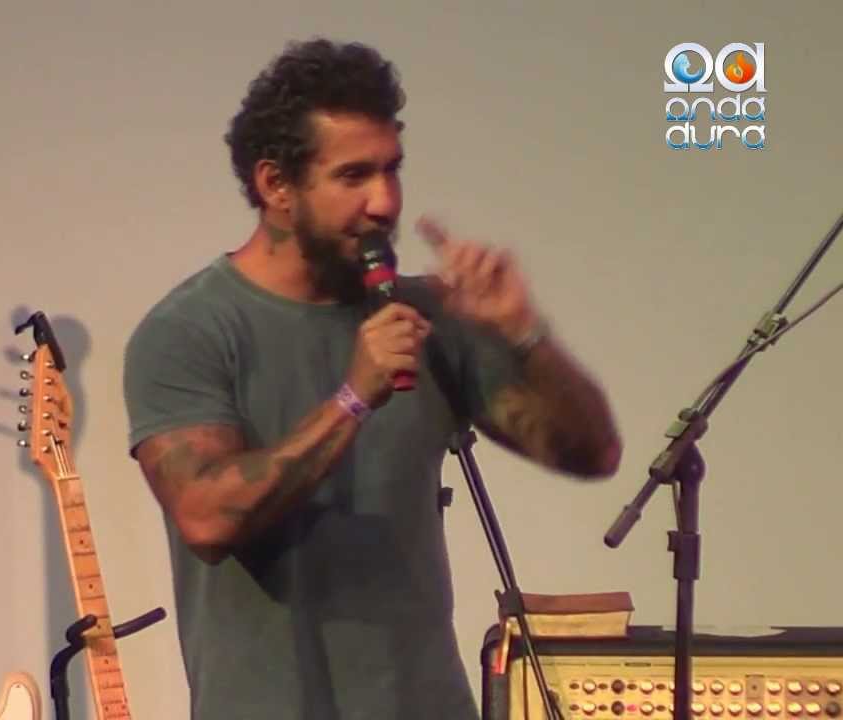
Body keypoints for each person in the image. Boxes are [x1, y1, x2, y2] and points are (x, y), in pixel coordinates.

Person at [121, 37, 621, 720]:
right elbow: (206, 518)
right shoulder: (189, 330)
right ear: (275, 185)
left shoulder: (426, 316)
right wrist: (352, 399)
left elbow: (592, 453)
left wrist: (525, 333)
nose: (384, 201)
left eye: (392, 170)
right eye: (354, 176)